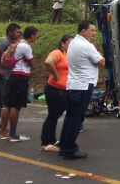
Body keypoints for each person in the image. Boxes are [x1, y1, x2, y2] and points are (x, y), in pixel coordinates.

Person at [59, 20, 105, 160]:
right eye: (91, 30)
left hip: (74, 85)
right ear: (83, 31)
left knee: (70, 118)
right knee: (75, 119)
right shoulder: (87, 45)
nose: (94, 33)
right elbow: (102, 62)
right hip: (83, 86)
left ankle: (63, 146)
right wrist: (103, 55)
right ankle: (70, 150)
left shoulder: (73, 43)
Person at [0, 26, 38, 142]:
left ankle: (3, 132)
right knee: (16, 106)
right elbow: (32, 63)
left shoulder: (17, 43)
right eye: (36, 35)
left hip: (13, 75)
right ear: (32, 35)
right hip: (21, 77)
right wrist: (31, 63)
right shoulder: (26, 46)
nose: (36, 37)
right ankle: (13, 134)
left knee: (8, 105)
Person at [40, 34, 73, 152]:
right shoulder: (57, 52)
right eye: (69, 43)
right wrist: (56, 75)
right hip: (55, 90)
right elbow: (48, 62)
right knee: (53, 116)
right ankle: (46, 143)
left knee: (55, 116)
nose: (71, 45)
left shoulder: (69, 55)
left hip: (64, 90)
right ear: (63, 44)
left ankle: (51, 140)